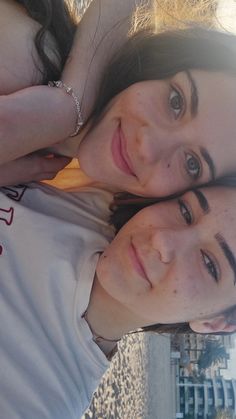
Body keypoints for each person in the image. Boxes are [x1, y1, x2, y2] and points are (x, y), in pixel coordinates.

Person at [1, 176, 236, 418]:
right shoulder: (94, 188)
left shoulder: (41, 398)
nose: (163, 239)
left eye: (209, 264)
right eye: (186, 211)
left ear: (213, 323)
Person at [0, 0, 144, 185]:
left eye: (192, 164)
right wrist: (70, 108)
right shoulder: (31, 64)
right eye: (175, 102)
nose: (146, 146)